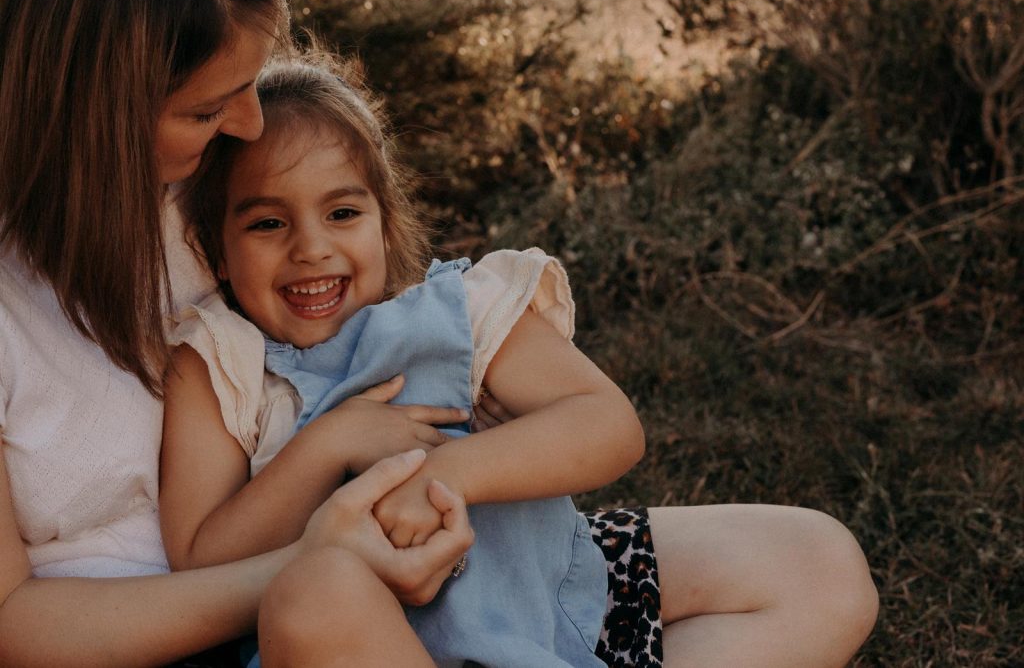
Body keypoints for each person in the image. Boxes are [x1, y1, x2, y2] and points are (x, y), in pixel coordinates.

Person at [164, 49, 880, 667]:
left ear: (385, 220)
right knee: (311, 594)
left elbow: (608, 425)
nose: (311, 247)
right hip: (366, 644)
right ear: (215, 249)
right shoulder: (222, 363)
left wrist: (445, 473)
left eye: (343, 213)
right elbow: (200, 558)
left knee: (819, 561)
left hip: (555, 602)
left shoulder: (463, 311)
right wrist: (330, 442)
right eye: (267, 222)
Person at [0, 0, 474, 666]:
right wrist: (313, 560)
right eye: (206, 108)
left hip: (329, 585)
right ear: (96, 107)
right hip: (145, 637)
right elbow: (8, 621)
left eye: (249, 84)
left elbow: (348, 289)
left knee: (685, 587)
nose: (249, 124)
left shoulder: (196, 202)